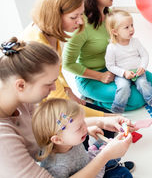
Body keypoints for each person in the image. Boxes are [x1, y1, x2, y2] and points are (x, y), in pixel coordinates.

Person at [0, 37, 133, 177]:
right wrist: (105, 156)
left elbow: (54, 126)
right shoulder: (4, 140)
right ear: (21, 85)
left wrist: (100, 122)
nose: (53, 88)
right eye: (48, 83)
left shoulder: (24, 99)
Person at [63, 0, 152, 111]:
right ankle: (93, 102)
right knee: (135, 98)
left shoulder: (110, 16)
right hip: (93, 77)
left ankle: (112, 97)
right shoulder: (80, 25)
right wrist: (100, 76)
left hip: (118, 68)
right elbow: (67, 64)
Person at [22, 0, 107, 117]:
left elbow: (57, 70)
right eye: (74, 17)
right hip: (40, 112)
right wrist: (107, 118)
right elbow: (60, 104)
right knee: (102, 124)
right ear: (54, 16)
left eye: (81, 15)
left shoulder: (49, 32)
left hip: (52, 102)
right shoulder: (39, 47)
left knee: (104, 119)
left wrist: (68, 90)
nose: (80, 21)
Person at [32, 99, 133, 178]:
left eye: (83, 122)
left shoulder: (67, 140)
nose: (84, 127)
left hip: (87, 161)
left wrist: (88, 129)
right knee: (124, 174)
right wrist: (106, 155)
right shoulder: (56, 167)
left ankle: (112, 165)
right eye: (79, 127)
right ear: (58, 139)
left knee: (111, 148)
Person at [105, 9, 152, 113]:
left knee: (143, 83)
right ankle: (117, 110)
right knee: (123, 87)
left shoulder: (135, 42)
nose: (131, 29)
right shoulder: (112, 47)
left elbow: (144, 55)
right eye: (127, 27)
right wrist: (124, 73)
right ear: (115, 31)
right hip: (122, 75)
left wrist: (142, 67)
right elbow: (110, 65)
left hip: (138, 72)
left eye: (132, 25)